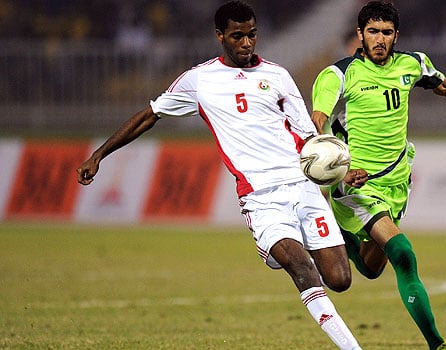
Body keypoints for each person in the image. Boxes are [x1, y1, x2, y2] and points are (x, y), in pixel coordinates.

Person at [76, 2, 363, 349]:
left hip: (302, 187)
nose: (246, 43)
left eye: (252, 35)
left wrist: (337, 171)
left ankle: (277, 249)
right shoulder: (201, 80)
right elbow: (150, 115)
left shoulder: (278, 76)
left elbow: (306, 138)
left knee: (340, 279)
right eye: (237, 36)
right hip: (261, 197)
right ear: (220, 36)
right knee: (303, 269)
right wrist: (99, 154)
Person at [310, 2, 446, 350]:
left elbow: (440, 84)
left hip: (397, 178)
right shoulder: (338, 74)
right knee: (404, 254)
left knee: (371, 267)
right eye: (372, 32)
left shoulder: (412, 63)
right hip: (357, 184)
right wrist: (340, 169)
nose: (379, 39)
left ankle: (339, 239)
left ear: (396, 35)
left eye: (386, 32)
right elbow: (317, 123)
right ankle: (438, 344)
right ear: (359, 35)